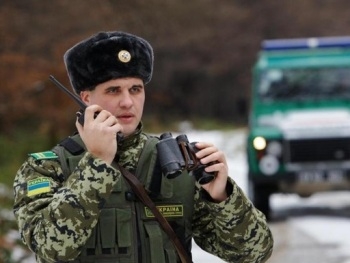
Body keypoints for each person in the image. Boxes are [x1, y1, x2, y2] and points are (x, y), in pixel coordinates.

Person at [13, 31, 273, 263]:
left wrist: (222, 198)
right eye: (114, 90)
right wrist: (97, 162)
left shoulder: (177, 163)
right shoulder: (47, 167)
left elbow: (253, 254)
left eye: (135, 89)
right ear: (86, 98)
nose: (128, 102)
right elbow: (50, 249)